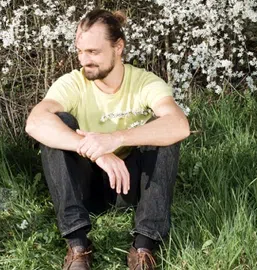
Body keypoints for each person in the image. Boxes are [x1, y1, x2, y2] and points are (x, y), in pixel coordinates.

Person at [25, 9, 190, 270]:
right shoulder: (73, 83)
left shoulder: (144, 82)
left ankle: (144, 246)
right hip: (86, 185)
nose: (84, 60)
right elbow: (35, 121)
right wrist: (95, 150)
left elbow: (179, 125)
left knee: (160, 129)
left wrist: (116, 138)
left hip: (130, 184)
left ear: (118, 47)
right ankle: (78, 246)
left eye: (94, 52)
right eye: (80, 52)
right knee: (60, 124)